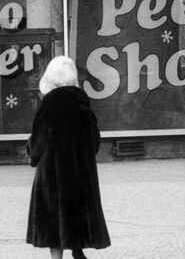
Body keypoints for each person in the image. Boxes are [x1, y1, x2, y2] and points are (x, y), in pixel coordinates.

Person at [26, 56, 111, 259]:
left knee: (53, 218)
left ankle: (57, 257)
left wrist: (32, 155)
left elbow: (38, 141)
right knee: (76, 210)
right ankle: (77, 250)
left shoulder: (48, 105)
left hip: (52, 173)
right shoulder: (83, 104)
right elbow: (94, 141)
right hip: (79, 172)